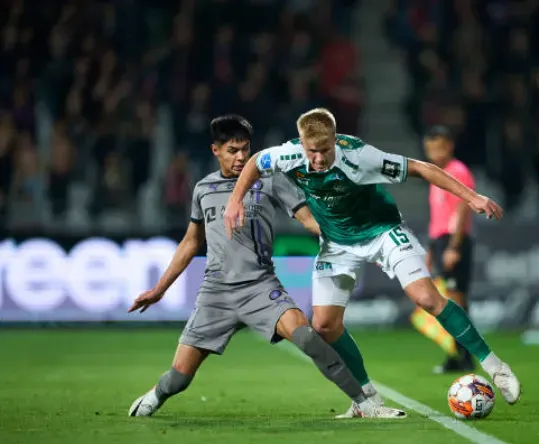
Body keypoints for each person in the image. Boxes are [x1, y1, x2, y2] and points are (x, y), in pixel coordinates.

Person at [223, 108, 521, 418]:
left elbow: (421, 168)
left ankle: (496, 368)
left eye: (325, 150)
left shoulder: (361, 157)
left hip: (382, 232)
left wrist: (471, 198)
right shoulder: (288, 156)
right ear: (302, 143)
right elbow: (256, 162)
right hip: (337, 243)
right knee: (324, 325)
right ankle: (367, 400)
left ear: (335, 141)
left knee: (427, 298)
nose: (319, 159)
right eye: (312, 151)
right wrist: (234, 200)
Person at [127, 114, 403, 419]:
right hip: (216, 294)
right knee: (178, 378)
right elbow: (191, 242)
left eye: (245, 148)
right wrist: (158, 290)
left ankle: (365, 405)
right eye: (232, 150)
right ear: (215, 150)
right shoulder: (203, 189)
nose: (241, 157)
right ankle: (156, 394)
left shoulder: (268, 180)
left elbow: (309, 219)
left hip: (261, 287)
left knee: (309, 337)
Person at [411, 125, 477, 374]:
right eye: (430, 149)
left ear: (449, 145)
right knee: (449, 301)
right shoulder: (435, 174)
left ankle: (464, 356)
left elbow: (461, 210)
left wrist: (454, 246)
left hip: (453, 241)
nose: (434, 153)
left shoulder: (458, 171)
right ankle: (457, 354)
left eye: (438, 147)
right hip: (440, 241)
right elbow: (437, 216)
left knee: (456, 302)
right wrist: (430, 248)